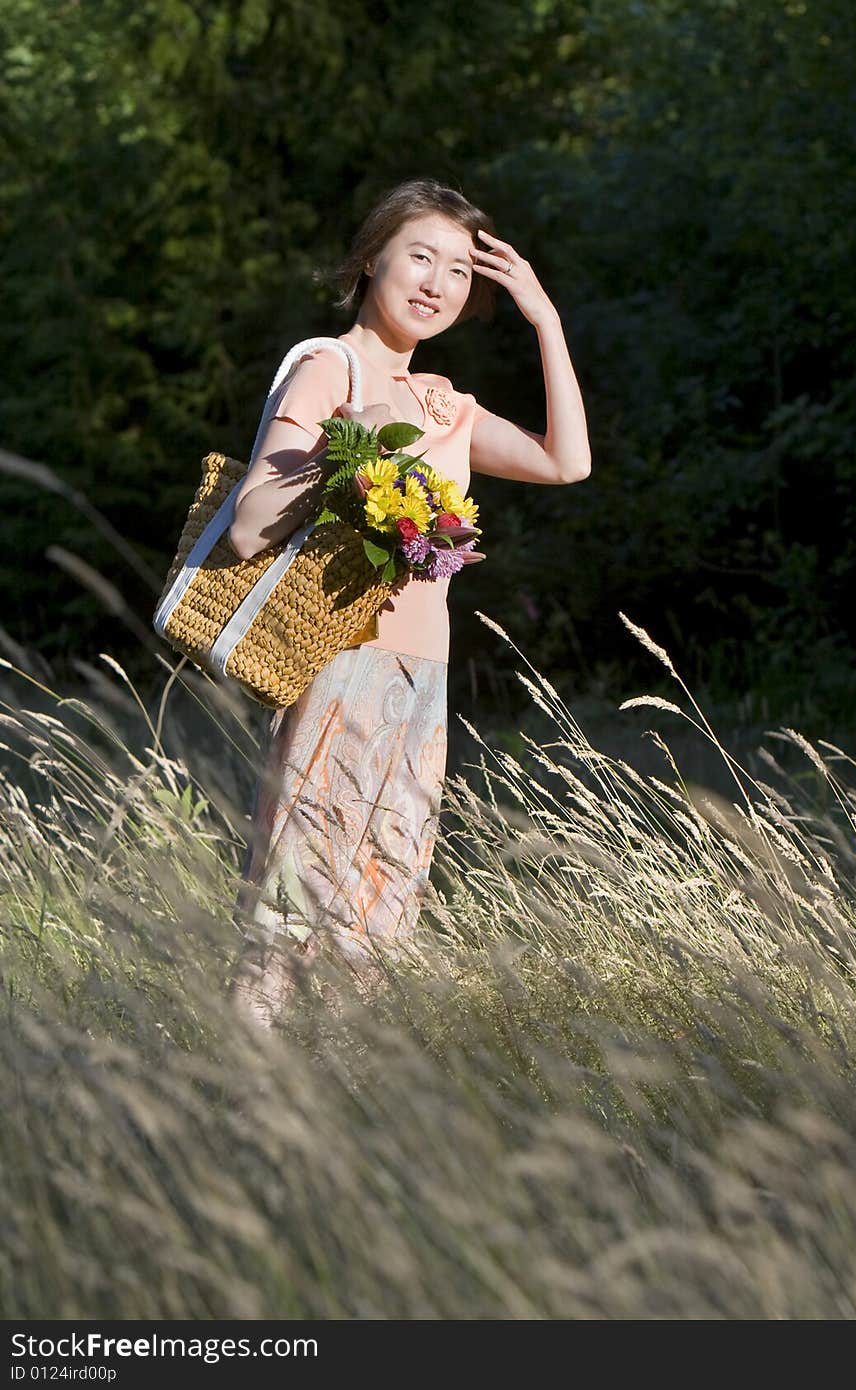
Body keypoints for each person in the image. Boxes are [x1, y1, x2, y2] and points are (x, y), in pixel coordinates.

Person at [228, 177, 591, 1027]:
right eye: (420, 258)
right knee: (291, 914)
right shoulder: (331, 366)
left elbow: (566, 462)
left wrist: (546, 321)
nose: (437, 283)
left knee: (377, 926)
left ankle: (344, 1123)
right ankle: (243, 1104)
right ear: (369, 261)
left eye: (460, 271)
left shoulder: (443, 403)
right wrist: (348, 463)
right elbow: (248, 528)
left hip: (421, 685)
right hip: (340, 669)